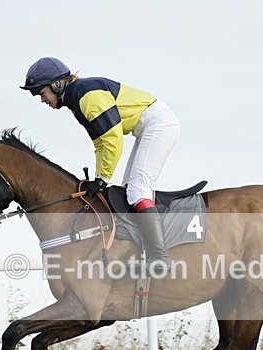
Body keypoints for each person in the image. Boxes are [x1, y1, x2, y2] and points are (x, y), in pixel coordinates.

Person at [20, 57, 179, 269]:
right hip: (148, 127)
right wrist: (99, 177)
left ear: (57, 85)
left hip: (158, 124)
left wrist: (103, 179)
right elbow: (100, 143)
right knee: (128, 191)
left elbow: (113, 139)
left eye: (42, 93)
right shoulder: (77, 101)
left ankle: (160, 256)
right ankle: (142, 250)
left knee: (138, 191)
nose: (43, 100)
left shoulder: (85, 96)